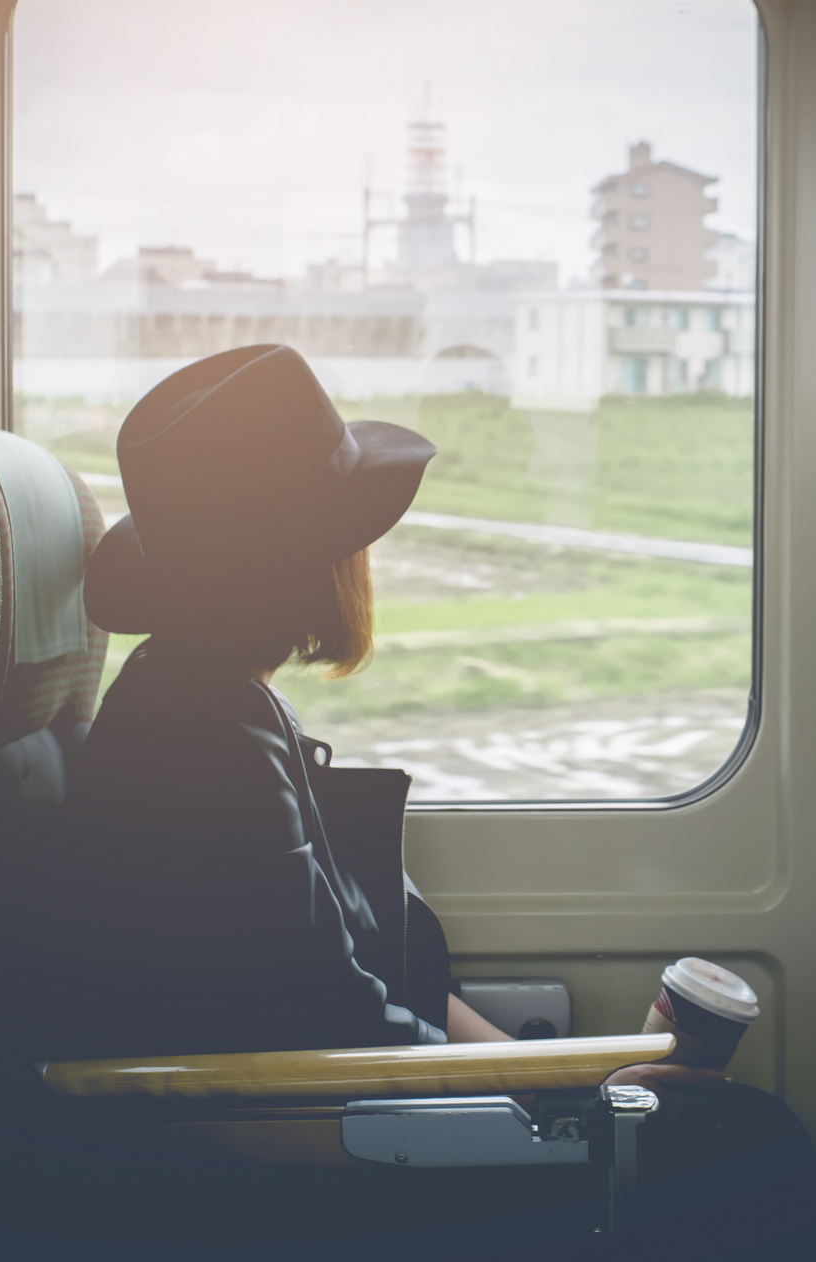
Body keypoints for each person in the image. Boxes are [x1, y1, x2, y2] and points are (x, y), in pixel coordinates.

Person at [56, 344, 513, 1055]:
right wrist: (560, 1089)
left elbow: (351, 980)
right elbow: (338, 1020)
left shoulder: (199, 694)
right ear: (309, 565)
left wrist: (549, 1070)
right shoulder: (205, 734)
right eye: (354, 530)